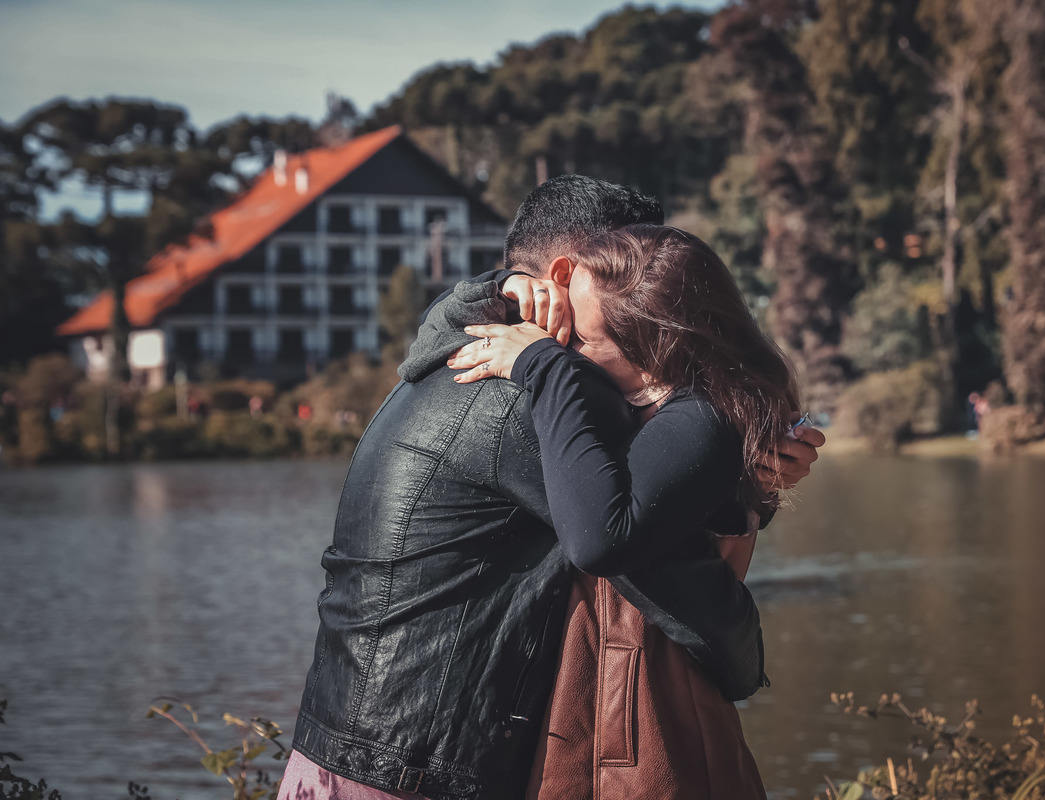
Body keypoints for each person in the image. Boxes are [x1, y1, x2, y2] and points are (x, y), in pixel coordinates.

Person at [278, 176, 820, 800]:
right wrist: (745, 656)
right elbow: (679, 587)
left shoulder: (458, 355)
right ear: (574, 273)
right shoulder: (546, 396)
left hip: (340, 749)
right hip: (415, 771)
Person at [439, 222, 824, 799]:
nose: (565, 342)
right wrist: (511, 284)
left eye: (585, 342)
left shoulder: (707, 417)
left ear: (656, 351)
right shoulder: (656, 403)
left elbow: (600, 539)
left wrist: (545, 367)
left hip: (659, 722)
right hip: (603, 710)